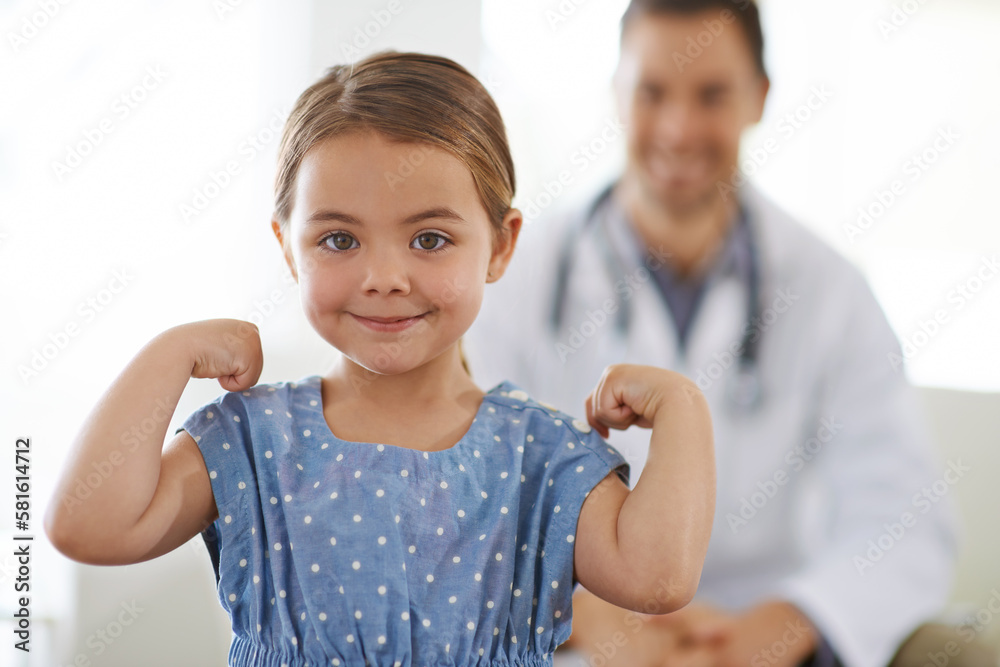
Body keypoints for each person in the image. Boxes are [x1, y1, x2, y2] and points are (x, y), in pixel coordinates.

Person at [43, 52, 717, 667]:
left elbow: (657, 580)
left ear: (501, 245)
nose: (384, 278)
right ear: (288, 249)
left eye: (429, 238)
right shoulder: (255, 441)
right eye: (339, 239)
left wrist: (684, 407)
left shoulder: (538, 457)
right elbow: (86, 525)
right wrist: (168, 354)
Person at [464, 2, 959, 666]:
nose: (678, 128)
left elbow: (904, 517)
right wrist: (577, 613)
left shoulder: (829, 289)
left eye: (711, 95)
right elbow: (460, 501)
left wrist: (784, 627)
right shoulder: (518, 274)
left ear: (760, 97)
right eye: (652, 92)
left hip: (759, 635)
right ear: (616, 94)